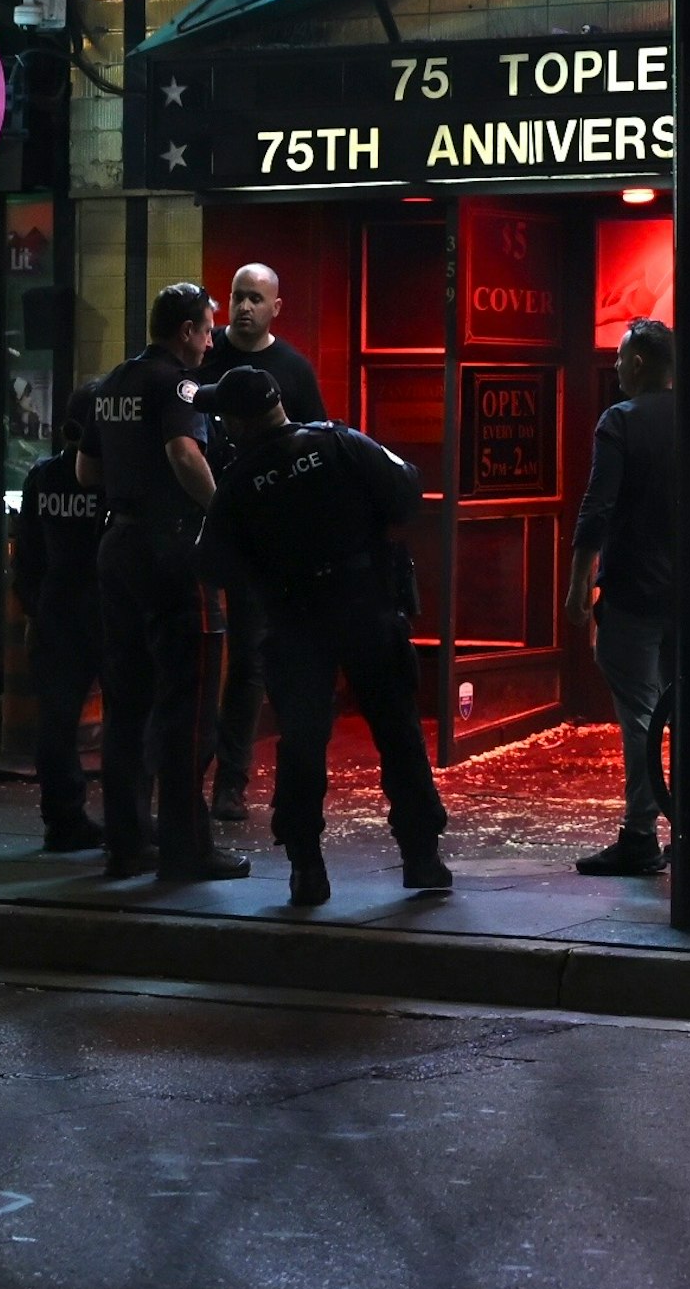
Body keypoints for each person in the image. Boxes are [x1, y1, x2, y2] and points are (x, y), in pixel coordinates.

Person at [201, 367, 448, 909]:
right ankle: (422, 856)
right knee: (398, 731)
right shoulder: (339, 443)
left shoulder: (241, 481)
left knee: (303, 742)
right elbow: (408, 490)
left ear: (239, 421)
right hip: (367, 605)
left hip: (295, 621)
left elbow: (214, 561)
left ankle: (306, 868)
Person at [77, 281, 247, 882]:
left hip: (118, 547)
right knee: (191, 704)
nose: (210, 339)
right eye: (206, 328)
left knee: (126, 705)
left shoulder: (114, 383)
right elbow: (183, 452)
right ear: (184, 331)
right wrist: (224, 517)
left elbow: (85, 468)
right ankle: (186, 847)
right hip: (173, 549)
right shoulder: (178, 383)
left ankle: (127, 842)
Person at [560, 319, 690, 878]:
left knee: (639, 714)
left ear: (639, 362)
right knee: (686, 713)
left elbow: (597, 509)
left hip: (634, 594)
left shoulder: (620, 421)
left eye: (619, 356)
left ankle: (640, 835)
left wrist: (577, 587)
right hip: (687, 599)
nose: (613, 365)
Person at [203, 262, 328, 824]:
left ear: (277, 306)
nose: (244, 307)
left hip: (263, 536)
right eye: (237, 297)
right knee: (198, 653)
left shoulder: (293, 370)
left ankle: (231, 780)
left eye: (255, 298)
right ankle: (191, 768)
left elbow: (315, 444)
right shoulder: (206, 359)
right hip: (204, 522)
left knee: (250, 657)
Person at [12, 395, 130, 864]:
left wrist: (34, 610)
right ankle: (128, 820)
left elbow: (28, 552)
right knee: (127, 719)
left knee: (56, 723)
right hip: (110, 608)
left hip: (59, 608)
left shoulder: (43, 476)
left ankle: (62, 820)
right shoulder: (117, 477)